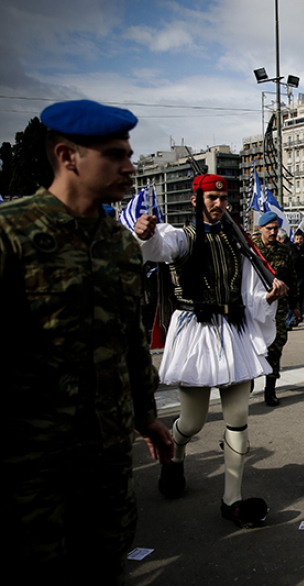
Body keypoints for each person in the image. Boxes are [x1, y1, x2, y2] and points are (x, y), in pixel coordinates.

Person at [1, 99, 173, 582]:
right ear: (67, 155)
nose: (129, 165)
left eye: (129, 153)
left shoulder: (119, 244)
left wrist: (146, 416)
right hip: (30, 453)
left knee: (105, 558)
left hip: (107, 448)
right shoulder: (13, 232)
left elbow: (132, 341)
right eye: (115, 154)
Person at [134, 174, 288, 528]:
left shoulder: (238, 243)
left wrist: (268, 295)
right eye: (211, 198)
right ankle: (178, 451)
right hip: (196, 335)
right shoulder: (182, 237)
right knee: (193, 422)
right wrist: (146, 235)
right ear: (195, 200)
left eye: (222, 198)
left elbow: (247, 292)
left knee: (238, 420)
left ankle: (231, 500)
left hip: (232, 332)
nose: (218, 204)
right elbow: (159, 247)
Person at [254, 211, 298, 406]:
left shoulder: (282, 250)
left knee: (276, 344)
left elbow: (291, 278)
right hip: (254, 305)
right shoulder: (252, 250)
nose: (273, 232)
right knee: (252, 345)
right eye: (269, 228)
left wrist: (295, 305)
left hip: (277, 306)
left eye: (275, 228)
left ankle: (270, 389)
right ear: (260, 229)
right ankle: (248, 378)